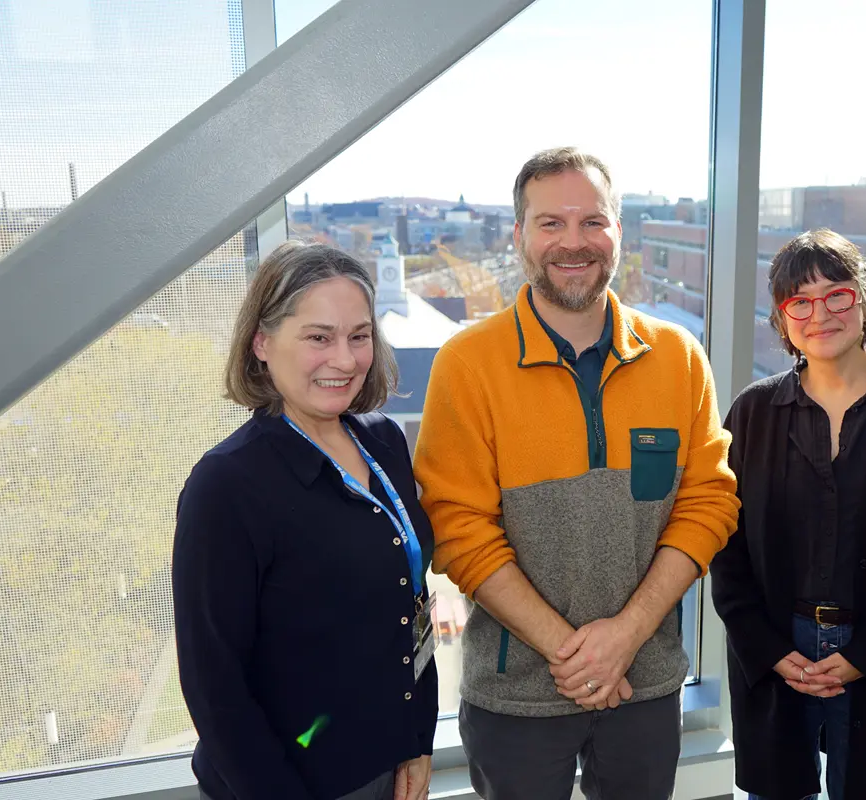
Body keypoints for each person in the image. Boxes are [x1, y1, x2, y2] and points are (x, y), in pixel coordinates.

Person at [413, 147, 740, 800]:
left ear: (619, 230)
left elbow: (708, 502)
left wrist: (626, 636)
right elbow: (457, 527)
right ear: (519, 235)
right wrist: (576, 654)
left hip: (644, 685)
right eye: (551, 223)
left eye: (592, 221)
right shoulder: (467, 365)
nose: (573, 242)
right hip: (514, 699)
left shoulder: (678, 357)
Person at [172, 241, 438, 800]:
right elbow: (214, 686)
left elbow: (409, 605)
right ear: (261, 343)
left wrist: (418, 738)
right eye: (319, 337)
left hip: (386, 768)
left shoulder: (384, 442)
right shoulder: (227, 485)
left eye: (359, 336)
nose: (345, 359)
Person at [710, 229, 866, 800]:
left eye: (837, 294)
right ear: (782, 319)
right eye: (799, 301)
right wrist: (769, 651)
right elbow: (728, 551)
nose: (820, 314)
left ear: (865, 299)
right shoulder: (752, 413)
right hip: (780, 648)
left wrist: (865, 657)